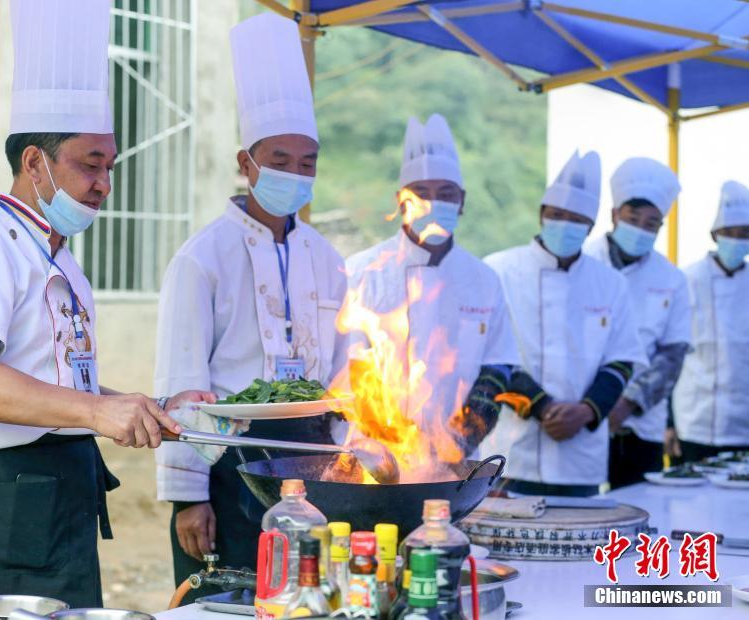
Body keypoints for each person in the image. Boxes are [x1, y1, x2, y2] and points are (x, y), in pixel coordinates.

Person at [0, 0, 212, 608]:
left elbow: (56, 384)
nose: (103, 183)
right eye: (89, 164)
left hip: (59, 503)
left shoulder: (62, 261)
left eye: (110, 166)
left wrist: (141, 406)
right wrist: (97, 415)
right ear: (34, 163)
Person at [154, 13, 348, 604]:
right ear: (247, 163)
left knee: (309, 602)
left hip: (314, 465)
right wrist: (189, 497)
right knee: (229, 605)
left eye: (307, 162)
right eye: (280, 159)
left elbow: (345, 369)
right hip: (230, 465)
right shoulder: (202, 258)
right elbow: (181, 386)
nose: (295, 174)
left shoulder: (330, 259)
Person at [345, 114, 518, 459]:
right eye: (421, 192)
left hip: (452, 461)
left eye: (446, 194)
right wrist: (395, 440)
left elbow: (497, 369)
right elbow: (351, 371)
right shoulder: (362, 271)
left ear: (462, 201)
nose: (433, 203)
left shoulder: (483, 279)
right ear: (400, 200)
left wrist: (457, 443)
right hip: (373, 456)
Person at [481, 150, 645, 497]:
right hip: (511, 449)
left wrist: (586, 411)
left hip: (580, 456)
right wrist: (541, 406)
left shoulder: (610, 282)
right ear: (542, 214)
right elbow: (490, 353)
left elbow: (623, 358)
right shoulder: (497, 270)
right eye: (557, 215)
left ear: (591, 226)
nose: (566, 225)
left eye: (577, 219)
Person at [583, 157, 691, 488]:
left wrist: (625, 406)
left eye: (652, 224)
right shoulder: (583, 262)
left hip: (640, 425)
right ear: (615, 214)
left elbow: (671, 357)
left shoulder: (671, 278)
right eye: (634, 219)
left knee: (638, 516)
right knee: (578, 514)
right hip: (579, 417)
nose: (642, 230)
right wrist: (594, 407)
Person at [670, 181, 749, 462]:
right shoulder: (687, 280)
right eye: (730, 233)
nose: (737, 240)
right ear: (715, 234)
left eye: (745, 234)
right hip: (695, 421)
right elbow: (670, 355)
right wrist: (668, 423)